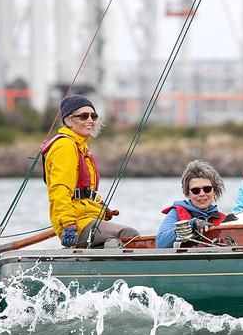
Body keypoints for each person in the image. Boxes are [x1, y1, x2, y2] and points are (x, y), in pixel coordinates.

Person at [42, 94, 139, 248]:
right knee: (130, 236)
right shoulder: (65, 147)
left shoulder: (81, 146)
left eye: (93, 116)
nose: (90, 120)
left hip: (87, 218)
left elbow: (83, 192)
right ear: (68, 121)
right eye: (83, 116)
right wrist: (68, 225)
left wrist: (102, 209)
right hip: (76, 224)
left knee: (115, 243)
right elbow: (59, 190)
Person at [156, 160, 226, 248]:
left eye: (207, 189)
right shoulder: (176, 214)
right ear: (188, 193)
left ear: (214, 191)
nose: (202, 194)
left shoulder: (223, 219)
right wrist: (191, 224)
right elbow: (160, 243)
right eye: (195, 190)